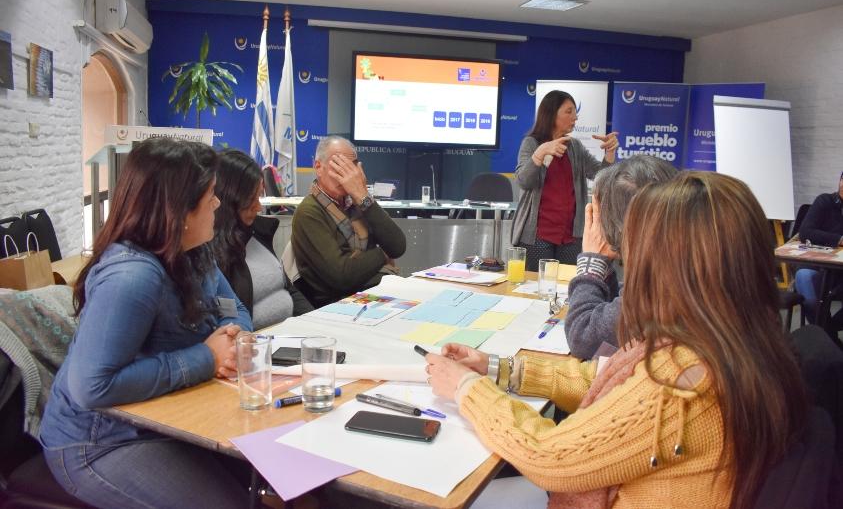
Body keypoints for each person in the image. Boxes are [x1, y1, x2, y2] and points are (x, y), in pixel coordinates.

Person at [426, 171, 806, 508]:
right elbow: (607, 380)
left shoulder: (683, 381)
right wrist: (497, 367)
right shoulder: (734, 339)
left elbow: (549, 455)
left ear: (671, 264)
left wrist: (466, 388)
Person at [39, 138, 252, 509]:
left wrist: (234, 337)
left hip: (160, 418)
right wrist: (207, 358)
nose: (219, 204)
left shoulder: (195, 252)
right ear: (180, 211)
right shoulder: (132, 278)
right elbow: (92, 387)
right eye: (210, 196)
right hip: (98, 443)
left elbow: (231, 306)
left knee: (260, 479)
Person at [565, 155, 678, 359]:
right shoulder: (674, 263)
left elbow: (583, 338)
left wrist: (592, 260)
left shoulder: (656, 289)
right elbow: (613, 319)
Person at [290, 135, 407, 307]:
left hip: (375, 290)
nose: (345, 174)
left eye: (350, 167)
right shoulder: (309, 211)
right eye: (337, 164)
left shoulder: (356, 203)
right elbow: (341, 276)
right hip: (339, 303)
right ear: (318, 167)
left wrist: (363, 197)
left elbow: (397, 246)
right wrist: (382, 253)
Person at [512, 90, 619, 270]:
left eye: (575, 112)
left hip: (571, 236)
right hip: (537, 236)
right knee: (537, 289)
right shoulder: (531, 143)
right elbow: (524, 182)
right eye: (569, 112)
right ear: (551, 114)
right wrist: (540, 153)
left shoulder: (574, 146)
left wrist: (609, 154)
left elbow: (601, 177)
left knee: (567, 288)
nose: (575, 117)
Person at [211, 149, 313, 329]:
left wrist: (314, 322)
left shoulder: (257, 232)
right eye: (251, 200)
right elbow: (230, 321)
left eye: (259, 196)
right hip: (258, 344)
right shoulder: (213, 253)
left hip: (291, 332)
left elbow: (288, 287)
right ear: (230, 199)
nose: (258, 207)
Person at [794, 171, 843, 328]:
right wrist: (839, 239)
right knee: (804, 277)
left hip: (839, 272)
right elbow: (806, 232)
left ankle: (828, 331)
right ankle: (827, 336)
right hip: (817, 266)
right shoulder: (825, 201)